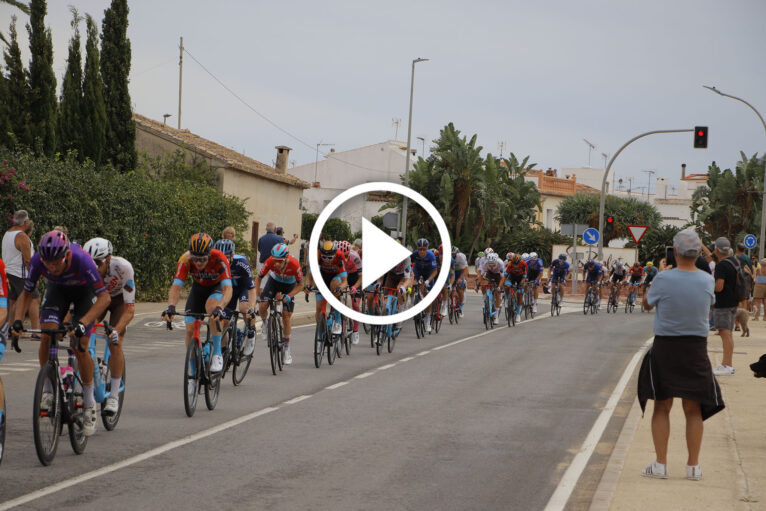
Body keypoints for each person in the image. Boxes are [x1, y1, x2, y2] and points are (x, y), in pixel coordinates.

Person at [638, 230, 723, 481]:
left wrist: (661, 277)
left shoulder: (664, 279)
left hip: (666, 347)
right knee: (693, 409)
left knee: (662, 406)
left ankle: (661, 464)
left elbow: (647, 304)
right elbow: (708, 305)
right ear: (698, 253)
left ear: (674, 252)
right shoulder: (707, 280)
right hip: (696, 347)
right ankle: (693, 467)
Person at [10, 231, 111, 436]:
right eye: (48, 264)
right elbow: (27, 292)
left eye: (56, 263)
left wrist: (83, 322)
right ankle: (48, 389)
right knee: (47, 336)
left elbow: (104, 298)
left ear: (66, 256)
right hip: (58, 291)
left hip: (85, 294)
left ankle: (90, 404)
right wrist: (18, 321)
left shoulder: (82, 260)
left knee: (80, 344)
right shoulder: (39, 260)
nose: (52, 267)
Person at [161, 233, 232, 375]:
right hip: (198, 289)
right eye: (195, 258)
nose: (198, 263)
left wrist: (220, 307)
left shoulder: (219, 258)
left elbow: (228, 288)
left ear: (209, 254)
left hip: (216, 287)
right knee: (189, 329)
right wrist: (171, 306)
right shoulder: (185, 259)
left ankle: (217, 353)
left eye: (202, 259)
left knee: (212, 310)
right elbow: (176, 286)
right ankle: (193, 373)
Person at [83, 237, 135, 414]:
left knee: (115, 341)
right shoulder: (84, 269)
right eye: (91, 263)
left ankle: (113, 396)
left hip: (120, 300)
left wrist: (116, 330)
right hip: (99, 298)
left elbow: (129, 310)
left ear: (109, 259)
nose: (95, 267)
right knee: (84, 334)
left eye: (98, 263)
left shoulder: (123, 268)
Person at [255, 243, 303, 365]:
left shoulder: (294, 264)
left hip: (289, 286)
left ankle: (287, 349)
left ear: (286, 259)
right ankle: (265, 324)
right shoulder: (270, 261)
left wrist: (290, 296)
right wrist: (257, 295)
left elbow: (300, 285)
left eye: (279, 261)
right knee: (262, 305)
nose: (276, 263)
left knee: (286, 317)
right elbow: (258, 277)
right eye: (274, 260)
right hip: (274, 281)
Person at [213, 239, 257, 356]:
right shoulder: (214, 263)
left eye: (226, 257)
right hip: (228, 291)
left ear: (232, 255)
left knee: (244, 309)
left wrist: (252, 307)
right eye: (220, 257)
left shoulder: (242, 263)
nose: (223, 260)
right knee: (224, 321)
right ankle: (223, 351)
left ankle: (251, 335)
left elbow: (251, 289)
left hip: (243, 288)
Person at [2, 210, 40, 334]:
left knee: (14, 301)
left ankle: (11, 329)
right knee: (34, 299)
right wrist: (34, 277)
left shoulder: (7, 233)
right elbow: (28, 260)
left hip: (8, 272)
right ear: (25, 222)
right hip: (20, 274)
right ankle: (36, 331)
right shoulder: (21, 236)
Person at [712, 237, 739, 376]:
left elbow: (719, 287)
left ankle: (727, 365)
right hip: (734, 301)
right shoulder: (734, 261)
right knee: (728, 333)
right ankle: (728, 364)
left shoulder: (722, 265)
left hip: (723, 304)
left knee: (725, 333)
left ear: (717, 249)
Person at [411, 239, 439, 332]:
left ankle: (427, 321)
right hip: (417, 271)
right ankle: (414, 303)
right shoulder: (414, 254)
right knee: (413, 286)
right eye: (420, 249)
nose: (422, 251)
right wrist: (412, 277)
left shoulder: (431, 256)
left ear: (427, 248)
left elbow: (435, 271)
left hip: (429, 273)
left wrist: (427, 281)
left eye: (424, 249)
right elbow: (408, 265)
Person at [735, 242, 754, 310]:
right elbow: (751, 267)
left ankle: (741, 315)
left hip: (743, 279)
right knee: (746, 297)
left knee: (741, 298)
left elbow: (745, 267)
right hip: (748, 279)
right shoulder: (747, 257)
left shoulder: (740, 258)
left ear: (737, 249)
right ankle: (744, 314)